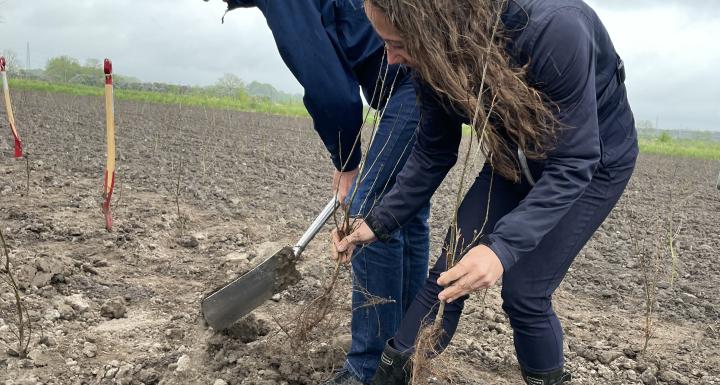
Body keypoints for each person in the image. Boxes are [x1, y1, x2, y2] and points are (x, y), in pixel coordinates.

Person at [332, 0, 639, 384]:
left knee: (525, 293)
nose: (390, 59)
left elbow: (574, 161)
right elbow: (433, 152)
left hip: (591, 164)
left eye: (397, 43)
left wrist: (500, 249)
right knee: (446, 277)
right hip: (514, 158)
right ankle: (389, 378)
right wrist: (376, 222)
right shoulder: (432, 61)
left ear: (434, 26)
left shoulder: (554, 29)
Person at [205, 1, 429, 383]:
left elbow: (331, 91)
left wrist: (346, 161)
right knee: (403, 214)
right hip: (423, 78)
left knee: (368, 212)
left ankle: (368, 370)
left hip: (411, 83)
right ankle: (404, 353)